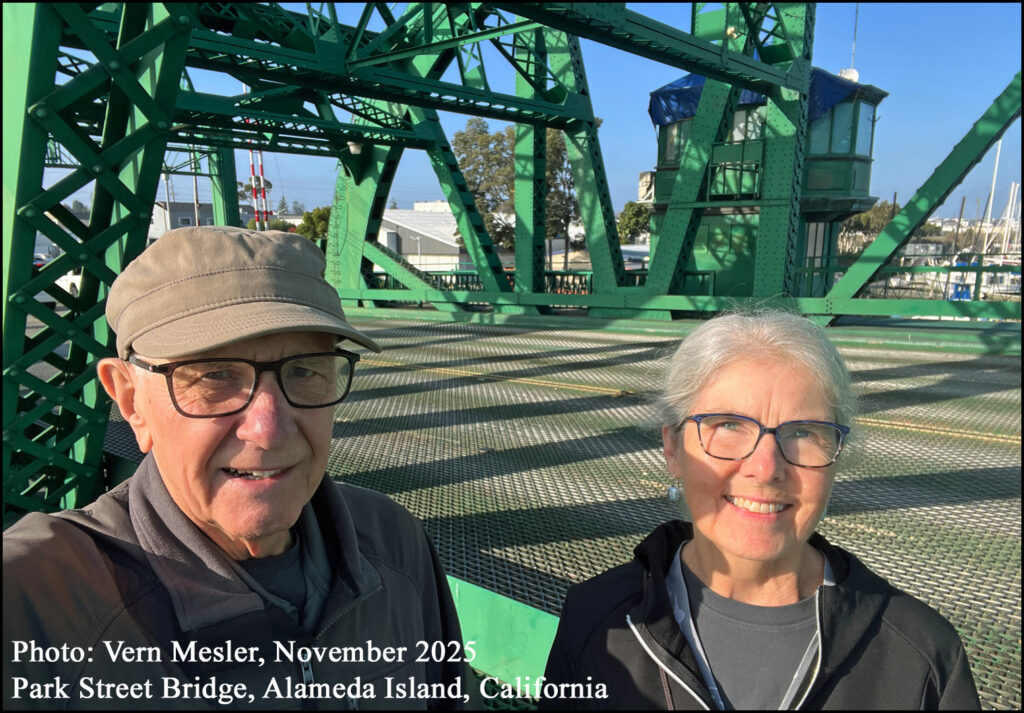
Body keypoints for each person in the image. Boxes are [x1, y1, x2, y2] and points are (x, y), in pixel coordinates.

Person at [4, 227, 474, 710]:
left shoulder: (393, 540)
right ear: (130, 401)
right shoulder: (36, 597)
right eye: (214, 375)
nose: (269, 429)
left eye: (305, 370)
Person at [541, 310, 980, 710]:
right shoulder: (595, 619)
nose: (766, 468)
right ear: (672, 448)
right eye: (728, 425)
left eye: (804, 432)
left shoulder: (922, 656)